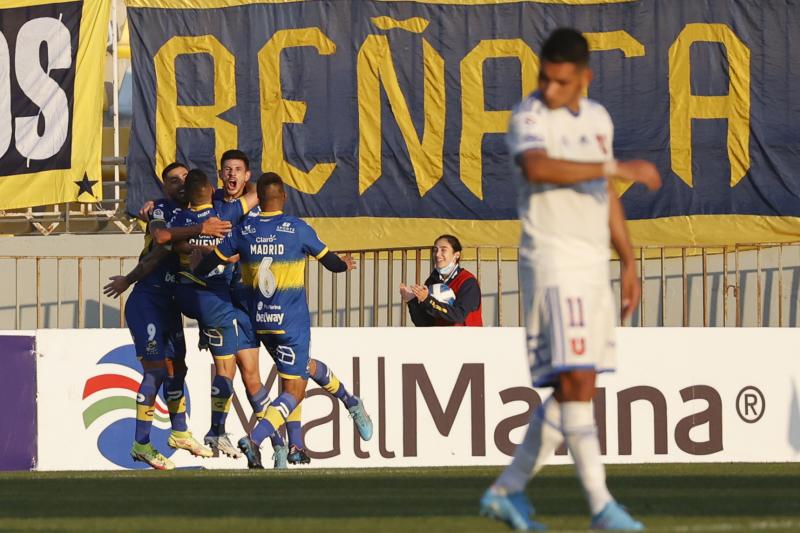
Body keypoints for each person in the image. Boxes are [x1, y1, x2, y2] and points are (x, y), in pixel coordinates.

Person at [479, 29, 661, 531]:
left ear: (584, 78)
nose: (549, 88)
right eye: (544, 78)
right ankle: (601, 506)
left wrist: (627, 260)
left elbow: (605, 193)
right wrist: (615, 164)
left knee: (577, 384)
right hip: (553, 259)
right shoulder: (529, 116)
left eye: (560, 82)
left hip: (591, 264)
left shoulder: (598, 118)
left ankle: (506, 490)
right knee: (576, 379)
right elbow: (537, 168)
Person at [193, 172, 374, 469]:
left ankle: (306, 439)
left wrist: (197, 271)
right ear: (284, 198)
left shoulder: (245, 228)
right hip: (291, 322)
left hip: (261, 322)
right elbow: (332, 264)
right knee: (293, 389)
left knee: (302, 370)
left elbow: (212, 260)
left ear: (258, 200)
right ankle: (256, 438)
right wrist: (344, 264)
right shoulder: (297, 229)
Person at [102, 162, 230, 469]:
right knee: (156, 371)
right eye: (173, 180)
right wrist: (129, 280)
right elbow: (160, 239)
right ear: (163, 188)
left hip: (172, 301)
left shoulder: (197, 211)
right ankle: (141, 444)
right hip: (148, 300)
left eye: (185, 178)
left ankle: (180, 433)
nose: (181, 184)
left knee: (178, 369)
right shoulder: (159, 210)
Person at [168, 169, 258, 459]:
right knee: (224, 370)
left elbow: (172, 242)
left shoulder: (180, 219)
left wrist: (194, 245)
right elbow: (257, 193)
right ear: (210, 191)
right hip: (214, 300)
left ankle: (206, 333)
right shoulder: (227, 212)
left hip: (183, 295)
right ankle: (217, 431)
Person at [400, 234, 483, 326]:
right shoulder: (432, 280)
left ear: (456, 255)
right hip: (439, 338)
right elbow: (424, 324)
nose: (437, 254)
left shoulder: (468, 281)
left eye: (443, 250)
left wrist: (428, 300)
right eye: (435, 250)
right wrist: (412, 301)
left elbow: (459, 316)